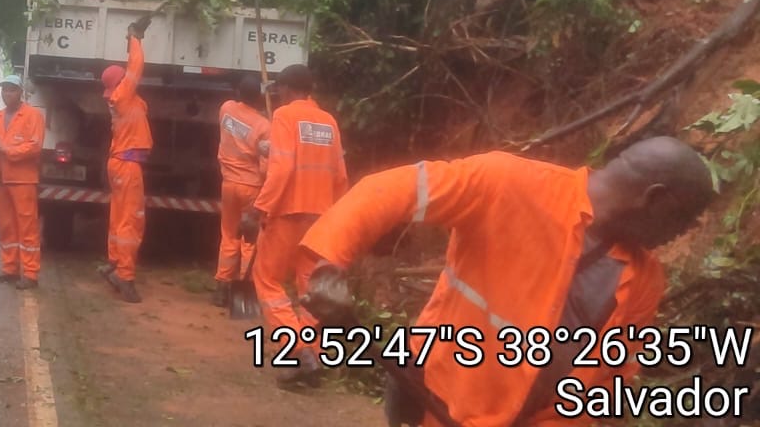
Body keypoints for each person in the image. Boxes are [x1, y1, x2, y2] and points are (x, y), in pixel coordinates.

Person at [299, 136, 715, 427]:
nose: (683, 233)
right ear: (655, 198)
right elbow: (391, 190)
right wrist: (330, 261)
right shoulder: (510, 184)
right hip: (440, 402)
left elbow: (607, 378)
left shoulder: (643, 281)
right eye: (684, 219)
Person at [247, 63, 347, 384]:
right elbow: (340, 176)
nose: (277, 96)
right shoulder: (329, 122)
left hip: (288, 214)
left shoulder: (285, 116)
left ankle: (298, 349)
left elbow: (281, 169)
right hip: (322, 219)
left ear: (287, 90)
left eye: (279, 91)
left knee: (267, 280)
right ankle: (313, 358)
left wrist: (258, 209)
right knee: (310, 289)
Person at [97, 16, 152, 303]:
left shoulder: (119, 99)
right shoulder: (123, 95)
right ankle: (125, 276)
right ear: (121, 84)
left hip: (120, 162)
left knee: (119, 218)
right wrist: (135, 38)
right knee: (131, 222)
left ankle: (115, 263)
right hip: (128, 165)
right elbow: (136, 68)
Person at [0, 75, 45, 289]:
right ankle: (10, 269)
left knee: (27, 227)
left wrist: (6, 150)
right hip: (1, 180)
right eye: (5, 90)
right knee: (6, 227)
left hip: (23, 181)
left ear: (21, 92)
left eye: (12, 90)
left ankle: (31, 273)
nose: (8, 94)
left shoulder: (33, 116)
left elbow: (34, 146)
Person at [214, 73, 271, 309]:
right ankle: (244, 297)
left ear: (238, 93)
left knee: (228, 235)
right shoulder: (264, 126)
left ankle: (221, 288)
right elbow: (267, 164)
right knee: (249, 240)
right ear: (259, 98)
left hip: (228, 183)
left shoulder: (225, 109)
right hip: (251, 187)